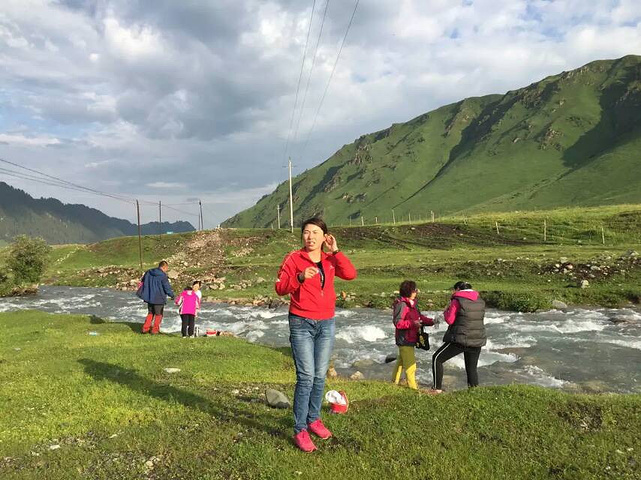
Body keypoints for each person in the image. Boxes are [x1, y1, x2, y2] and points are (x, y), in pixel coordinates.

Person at [275, 217, 357, 453]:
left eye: (315, 232)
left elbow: (350, 274)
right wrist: (300, 278)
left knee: (320, 375)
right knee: (306, 376)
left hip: (326, 323)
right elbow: (280, 288)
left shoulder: (331, 259)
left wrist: (337, 251)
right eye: (306, 233)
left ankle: (314, 419)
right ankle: (300, 428)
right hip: (301, 322)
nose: (309, 237)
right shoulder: (294, 258)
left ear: (325, 237)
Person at [431, 281, 486, 392]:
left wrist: (446, 310)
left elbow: (449, 320)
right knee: (471, 368)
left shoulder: (457, 301)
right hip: (477, 338)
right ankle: (474, 392)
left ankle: (437, 389)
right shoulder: (480, 301)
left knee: (437, 358)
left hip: (460, 338)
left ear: (457, 289)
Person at [392, 280, 434, 390]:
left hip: (411, 337)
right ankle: (413, 389)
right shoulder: (402, 305)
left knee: (401, 362)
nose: (417, 292)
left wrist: (431, 321)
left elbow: (419, 317)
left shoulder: (413, 304)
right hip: (404, 338)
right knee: (411, 366)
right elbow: (398, 323)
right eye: (415, 290)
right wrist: (412, 323)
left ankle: (393, 383)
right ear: (409, 291)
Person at [139, 261, 175, 334]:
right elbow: (166, 287)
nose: (166, 270)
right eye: (166, 268)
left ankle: (145, 328)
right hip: (159, 297)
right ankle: (155, 330)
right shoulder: (162, 275)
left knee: (150, 313)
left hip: (149, 296)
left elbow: (143, 280)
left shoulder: (149, 272)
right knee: (159, 314)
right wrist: (172, 295)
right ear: (164, 267)